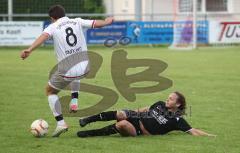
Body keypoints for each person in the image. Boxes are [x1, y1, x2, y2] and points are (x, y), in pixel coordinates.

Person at [20, 4, 114, 137]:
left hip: (68, 71)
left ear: (52, 18)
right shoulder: (77, 21)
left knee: (50, 91)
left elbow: (43, 37)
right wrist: (106, 21)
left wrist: (29, 49)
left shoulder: (53, 26)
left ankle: (61, 123)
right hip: (86, 67)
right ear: (64, 14)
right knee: (77, 70)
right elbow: (95, 23)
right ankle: (74, 100)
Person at [77, 91, 216, 137]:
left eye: (171, 99)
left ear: (178, 104)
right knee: (120, 114)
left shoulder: (178, 120)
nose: (167, 99)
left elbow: (193, 131)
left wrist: (210, 135)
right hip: (137, 117)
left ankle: (90, 134)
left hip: (140, 130)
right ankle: (87, 120)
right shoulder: (161, 104)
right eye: (168, 97)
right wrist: (131, 112)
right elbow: (146, 108)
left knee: (122, 124)